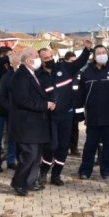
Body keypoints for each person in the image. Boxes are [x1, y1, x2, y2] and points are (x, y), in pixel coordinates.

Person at [36, 40, 92, 186]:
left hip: (67, 115)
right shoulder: (38, 76)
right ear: (40, 60)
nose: (49, 60)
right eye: (45, 59)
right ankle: (43, 171)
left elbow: (80, 62)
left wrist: (87, 49)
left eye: (50, 57)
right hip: (49, 117)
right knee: (51, 146)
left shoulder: (64, 67)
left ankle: (56, 175)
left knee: (63, 147)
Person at [9, 47, 55, 196]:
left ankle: (29, 182)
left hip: (37, 124)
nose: (39, 60)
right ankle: (18, 182)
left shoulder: (32, 74)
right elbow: (23, 100)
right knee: (28, 155)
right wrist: (44, 105)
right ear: (28, 60)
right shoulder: (20, 76)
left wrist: (48, 102)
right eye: (36, 57)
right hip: (26, 124)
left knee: (36, 156)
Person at [78, 45, 109, 180]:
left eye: (104, 52)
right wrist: (79, 113)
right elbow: (80, 94)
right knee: (90, 145)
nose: (102, 54)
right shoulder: (87, 71)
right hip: (93, 116)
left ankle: (107, 171)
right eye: (99, 53)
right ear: (94, 56)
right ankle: (85, 170)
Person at [65, 51, 82, 156]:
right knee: (65, 128)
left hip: (76, 105)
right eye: (72, 61)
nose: (74, 63)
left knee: (75, 128)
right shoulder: (63, 72)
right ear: (66, 61)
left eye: (75, 61)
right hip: (65, 105)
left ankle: (74, 148)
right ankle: (64, 147)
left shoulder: (79, 73)